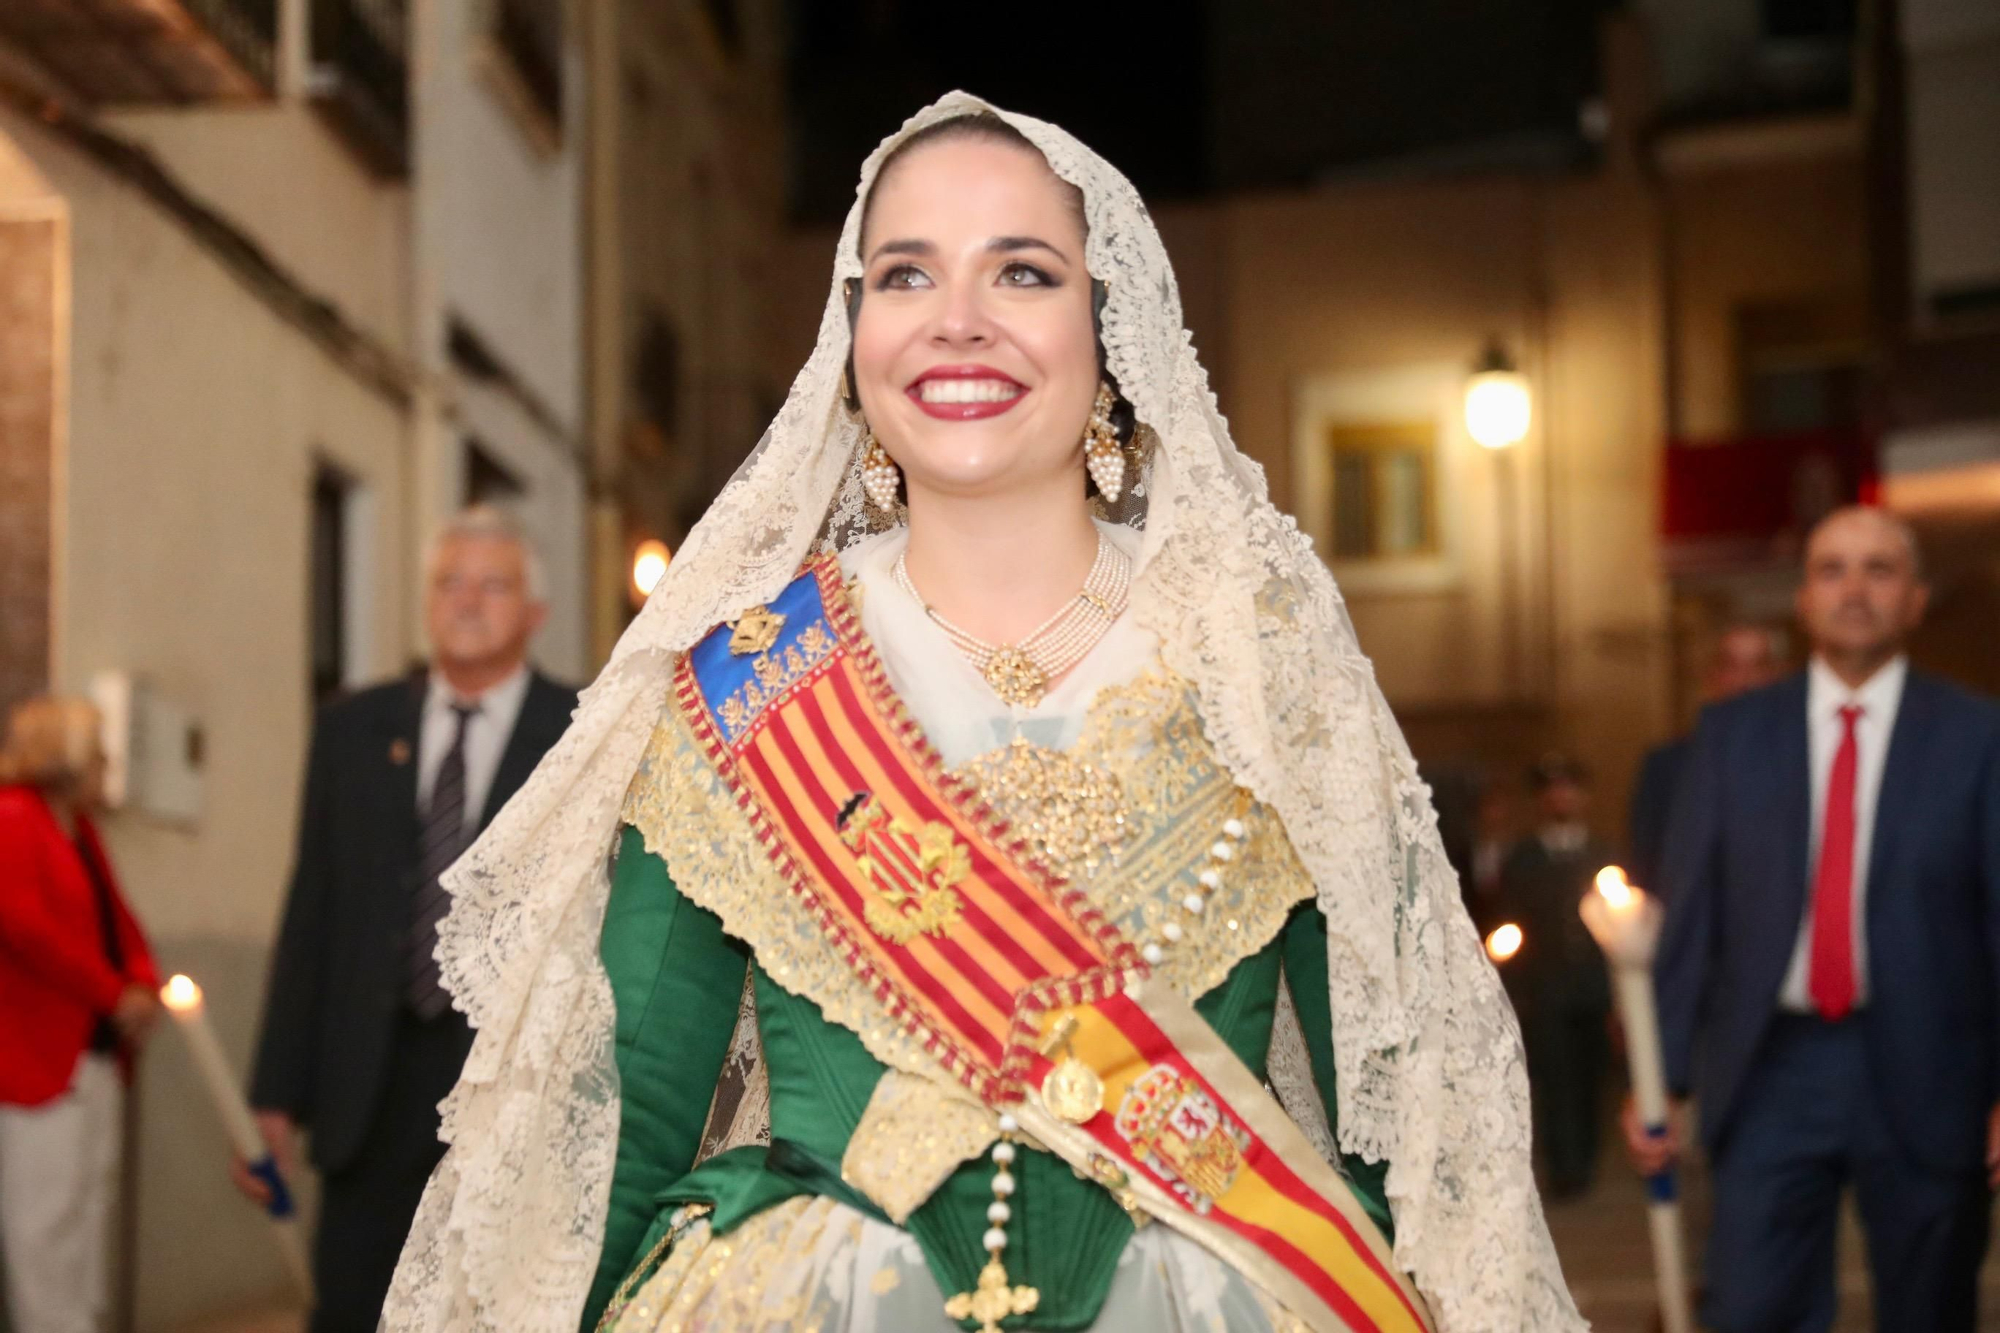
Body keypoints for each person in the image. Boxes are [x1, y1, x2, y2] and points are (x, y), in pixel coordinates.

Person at [383, 96, 1584, 1333]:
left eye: (1020, 270)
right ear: (856, 338)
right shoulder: (748, 686)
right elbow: (624, 1117)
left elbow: (1411, 1124)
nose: (956, 319)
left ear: (1106, 327)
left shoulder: (1261, 678)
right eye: (904, 274)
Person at [1633, 505, 2000, 1333]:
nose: (1855, 589)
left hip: (1933, 1066)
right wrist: (1661, 1079)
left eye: (1880, 569)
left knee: (1930, 1307)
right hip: (1771, 1066)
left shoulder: (1978, 736)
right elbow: (1691, 918)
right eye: (1833, 568)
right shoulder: (1731, 735)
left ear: (1916, 599)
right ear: (1802, 600)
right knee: (1752, 1306)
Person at [239, 505, 577, 1333]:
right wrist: (275, 1089)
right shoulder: (353, 729)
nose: (466, 600)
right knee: (354, 1305)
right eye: (448, 582)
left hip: (506, 1084)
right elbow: (314, 904)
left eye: (492, 584)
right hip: (366, 1084)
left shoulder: (577, 731)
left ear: (534, 614)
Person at [0, 696, 161, 1333]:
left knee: (90, 1205)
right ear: (62, 759)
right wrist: (110, 992)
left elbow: (117, 922)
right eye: (96, 754)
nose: (106, 766)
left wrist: (143, 984)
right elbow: (25, 927)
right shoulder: (14, 818)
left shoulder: (81, 830)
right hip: (37, 1059)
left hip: (94, 1054)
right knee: (44, 1222)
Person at [1496, 755, 1616, 1201]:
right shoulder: (1524, 858)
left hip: (1592, 986)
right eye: (1552, 790)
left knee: (1589, 1077)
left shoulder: (1604, 854)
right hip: (1545, 989)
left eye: (1569, 788)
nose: (1561, 797)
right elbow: (1509, 924)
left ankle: (1585, 1160)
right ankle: (1564, 1167)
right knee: (1555, 1078)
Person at [1625, 624, 1782, 895]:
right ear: (1713, 675)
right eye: (1732, 666)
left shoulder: (1800, 759)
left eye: (1758, 666)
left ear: (1777, 674)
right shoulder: (1667, 765)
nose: (1745, 680)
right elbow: (1646, 860)